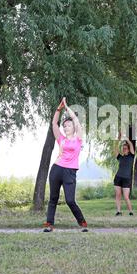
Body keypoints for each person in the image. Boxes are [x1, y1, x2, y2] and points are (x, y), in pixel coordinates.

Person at [43, 97, 88, 232]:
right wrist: (59, 108)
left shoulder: (78, 138)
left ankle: (82, 223)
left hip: (70, 172)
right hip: (57, 169)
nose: (66, 127)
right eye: (65, 126)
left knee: (70, 200)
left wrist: (67, 107)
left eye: (68, 125)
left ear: (74, 128)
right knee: (53, 198)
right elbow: (54, 123)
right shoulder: (61, 138)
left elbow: (75, 120)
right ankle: (49, 224)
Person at [113, 131, 135, 216]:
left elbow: (131, 144)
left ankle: (131, 212)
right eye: (123, 148)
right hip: (118, 178)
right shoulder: (120, 157)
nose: (124, 149)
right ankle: (118, 211)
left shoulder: (131, 156)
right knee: (118, 195)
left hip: (126, 179)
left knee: (126, 197)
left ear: (129, 150)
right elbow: (115, 149)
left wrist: (125, 138)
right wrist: (118, 139)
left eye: (126, 148)